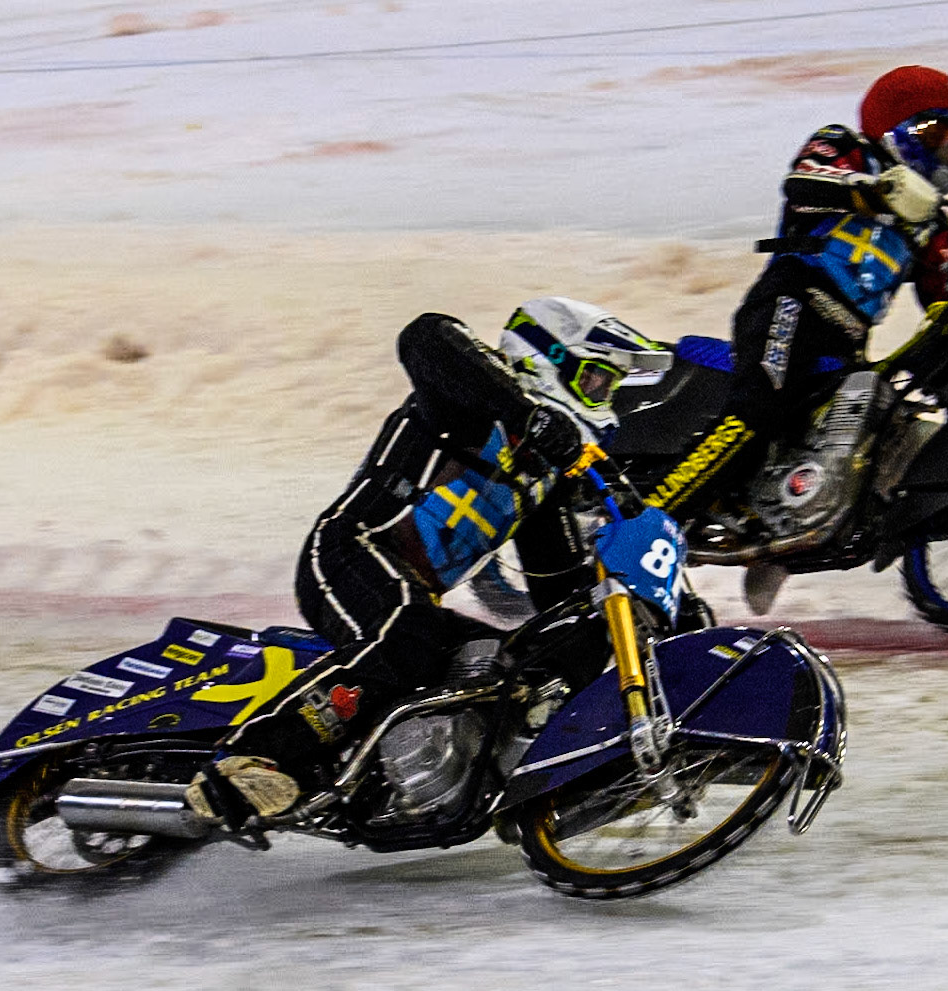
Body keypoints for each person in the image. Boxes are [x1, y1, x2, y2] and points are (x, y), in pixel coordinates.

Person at [186, 298, 672, 824]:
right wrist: (528, 414)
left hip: (413, 593)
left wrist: (614, 611)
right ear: (548, 357)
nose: (605, 399)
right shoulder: (471, 405)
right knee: (408, 633)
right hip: (350, 553)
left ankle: (502, 784)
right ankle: (248, 758)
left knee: (500, 665)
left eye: (613, 389)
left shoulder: (542, 479)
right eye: (598, 381)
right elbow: (424, 335)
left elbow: (557, 593)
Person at [643, 64, 948, 522]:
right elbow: (803, 183)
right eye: (937, 136)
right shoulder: (845, 146)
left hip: (845, 341)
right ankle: (650, 515)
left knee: (858, 444)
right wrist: (873, 190)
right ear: (897, 125)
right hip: (792, 303)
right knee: (759, 409)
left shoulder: (928, 222)